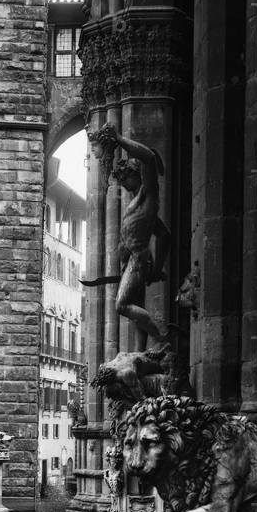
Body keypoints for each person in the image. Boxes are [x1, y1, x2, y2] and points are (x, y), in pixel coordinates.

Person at [90, 123, 171, 348]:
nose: (124, 186)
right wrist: (156, 268)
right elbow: (164, 235)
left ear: (136, 174)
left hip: (138, 259)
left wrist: (118, 138)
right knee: (137, 307)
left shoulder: (148, 195)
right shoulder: (140, 205)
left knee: (121, 305)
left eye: (125, 179)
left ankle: (162, 338)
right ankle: (139, 352)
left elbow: (149, 158)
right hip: (132, 261)